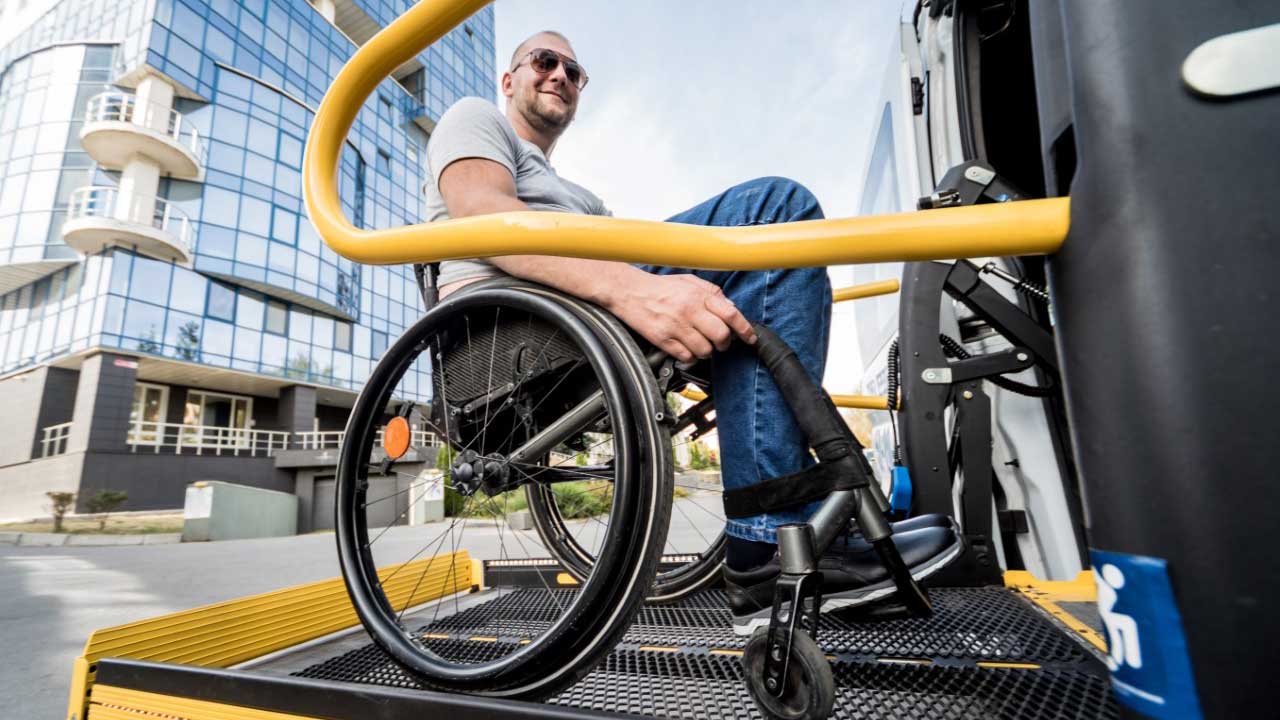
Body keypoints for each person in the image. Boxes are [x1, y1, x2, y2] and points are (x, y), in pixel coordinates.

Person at [425, 31, 960, 633]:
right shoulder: (475, 120)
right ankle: (770, 538)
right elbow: (482, 213)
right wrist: (636, 291)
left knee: (749, 303)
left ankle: (800, 525)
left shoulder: (581, 199)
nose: (561, 77)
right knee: (775, 212)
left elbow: (628, 256)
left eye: (575, 72)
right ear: (509, 80)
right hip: (514, 325)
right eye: (545, 62)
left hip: (582, 311)